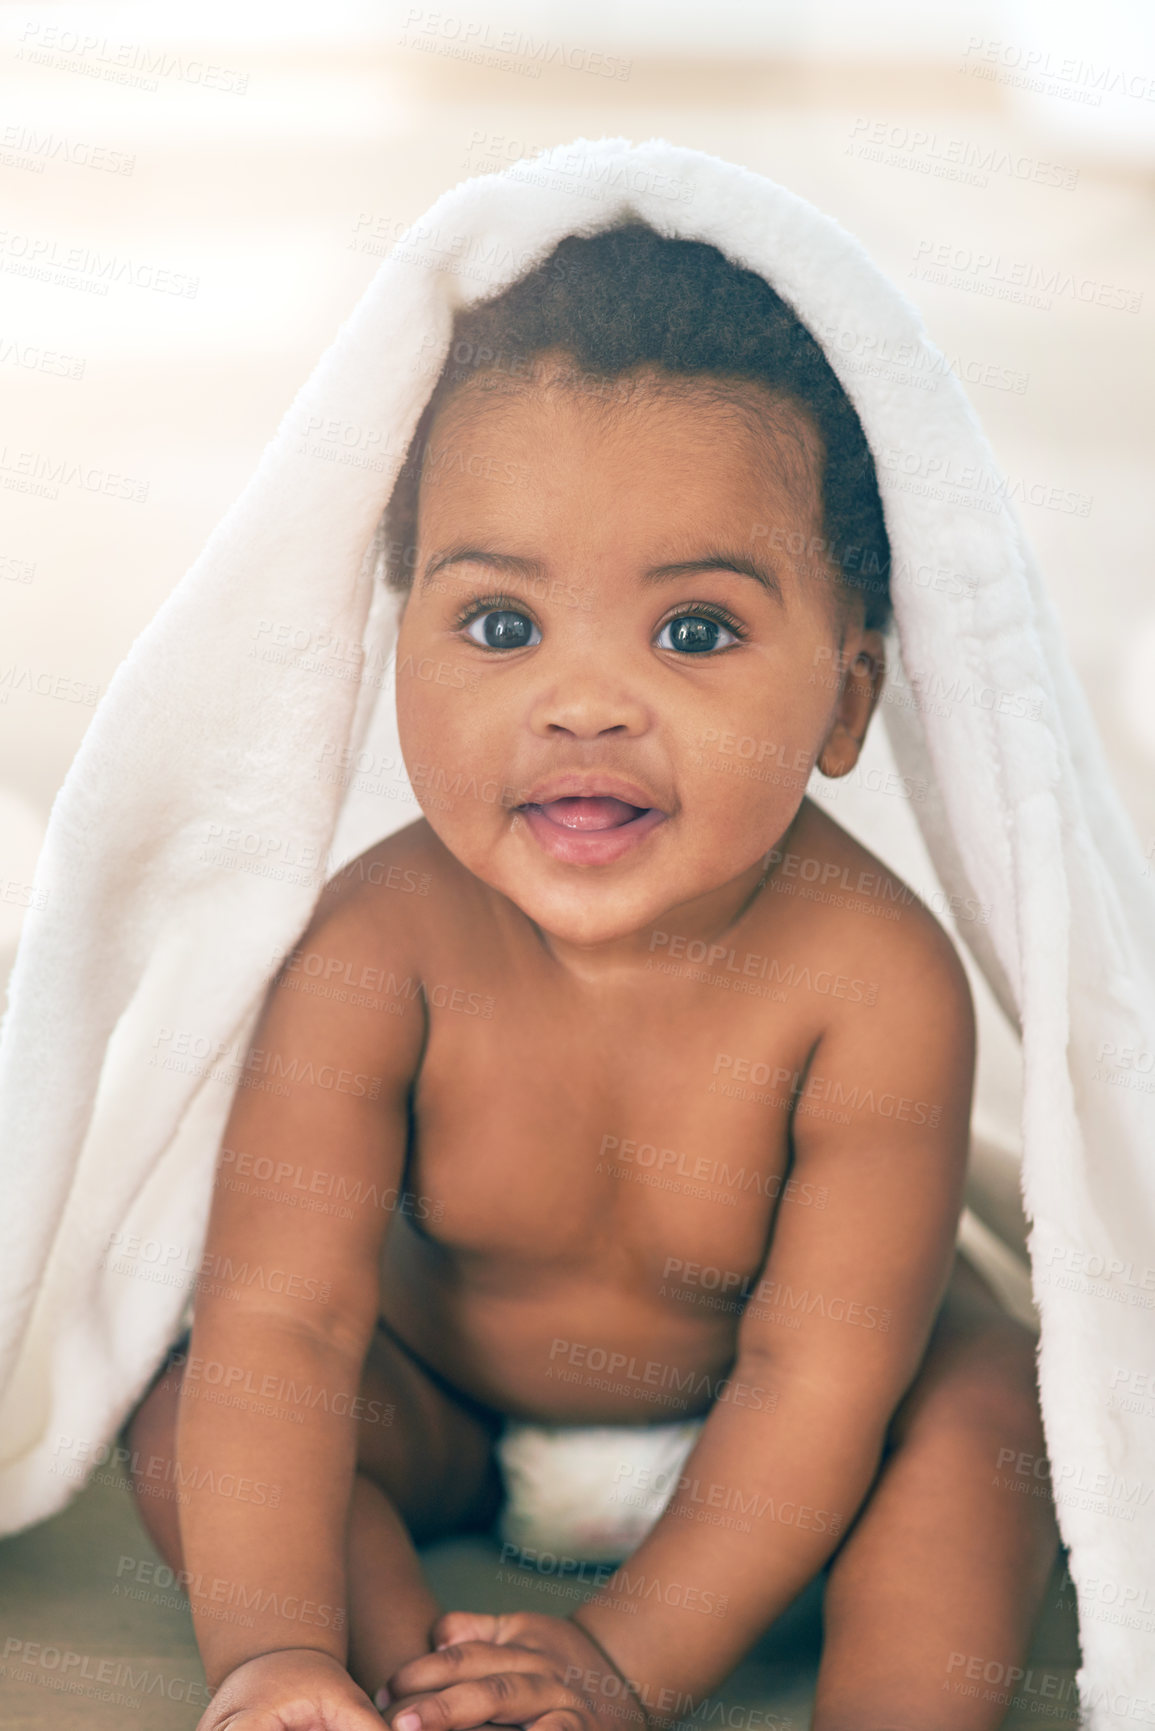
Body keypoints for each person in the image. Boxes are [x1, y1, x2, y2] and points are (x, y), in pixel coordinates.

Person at [125, 223, 1059, 1731]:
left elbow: (814, 1380)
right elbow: (284, 1320)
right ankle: (361, 1678)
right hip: (447, 1407)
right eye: (501, 625)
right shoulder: (374, 953)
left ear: (846, 694)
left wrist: (630, 1656)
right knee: (193, 1414)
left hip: (782, 1456)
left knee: (983, 1411)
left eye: (694, 631)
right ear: (393, 643)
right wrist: (267, 1632)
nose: (582, 706)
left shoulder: (875, 986)